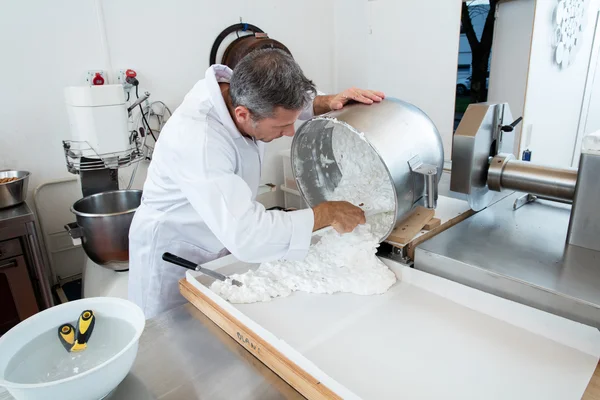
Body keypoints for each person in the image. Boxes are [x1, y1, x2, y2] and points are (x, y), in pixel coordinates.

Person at [128, 49, 385, 318]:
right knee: (173, 340)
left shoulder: (244, 92)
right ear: (242, 114)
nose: (290, 131)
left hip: (220, 239)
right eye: (281, 127)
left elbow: (286, 105)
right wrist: (326, 213)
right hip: (175, 252)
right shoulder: (200, 141)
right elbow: (248, 235)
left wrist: (326, 102)